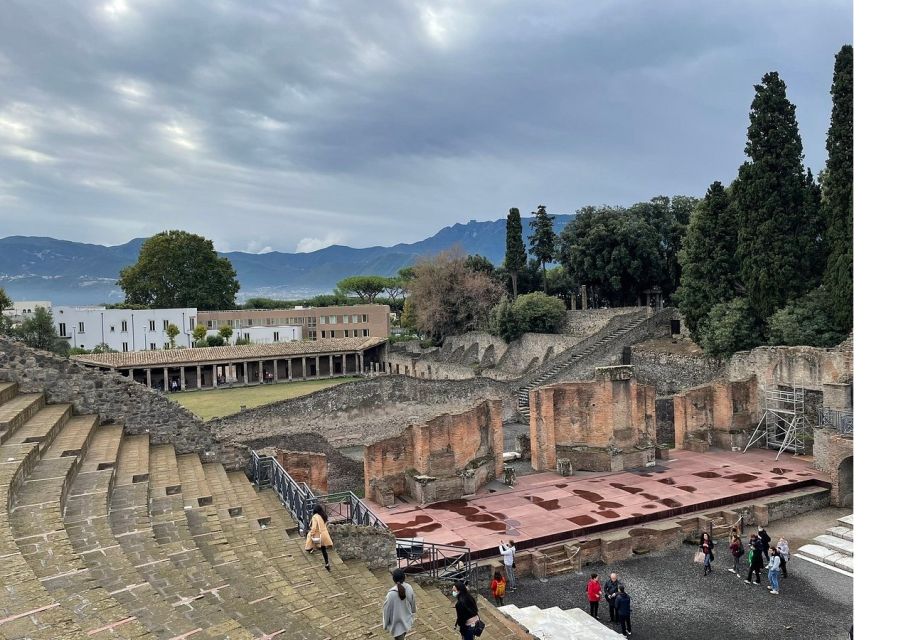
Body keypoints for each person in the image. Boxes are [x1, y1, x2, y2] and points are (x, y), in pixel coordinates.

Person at [382, 568, 416, 640]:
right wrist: (412, 613)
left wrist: (385, 624)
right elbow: (413, 604)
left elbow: (386, 610)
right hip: (407, 621)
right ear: (404, 577)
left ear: (393, 579)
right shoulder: (409, 588)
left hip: (396, 625)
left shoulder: (391, 594)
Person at [304, 504, 333, 571]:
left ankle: (309, 549)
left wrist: (311, 533)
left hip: (318, 534)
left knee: (310, 539)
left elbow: (314, 527)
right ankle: (327, 563)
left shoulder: (315, 517)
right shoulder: (323, 516)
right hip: (324, 534)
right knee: (323, 550)